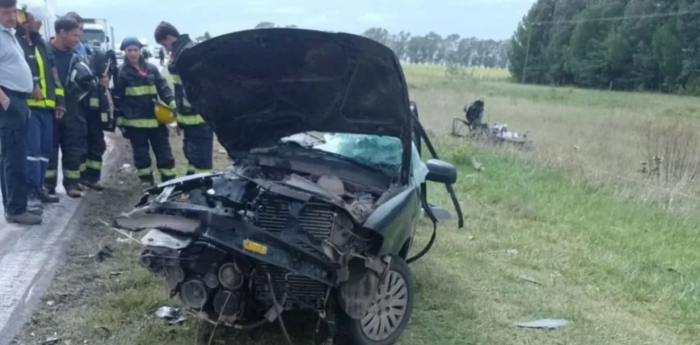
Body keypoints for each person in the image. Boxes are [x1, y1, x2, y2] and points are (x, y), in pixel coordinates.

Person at [16, 5, 64, 205]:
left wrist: (60, 102)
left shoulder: (41, 44)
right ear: (26, 18)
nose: (40, 24)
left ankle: (39, 187)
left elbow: (54, 76)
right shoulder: (16, 41)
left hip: (47, 106)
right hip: (29, 105)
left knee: (45, 150)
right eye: (38, 20)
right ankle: (30, 190)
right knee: (32, 151)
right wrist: (32, 85)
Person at [113, 37, 177, 187]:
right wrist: (120, 122)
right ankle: (147, 182)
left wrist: (173, 105)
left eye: (135, 49)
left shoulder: (151, 69)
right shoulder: (121, 73)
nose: (133, 53)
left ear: (140, 51)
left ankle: (170, 182)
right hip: (134, 123)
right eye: (129, 50)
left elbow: (163, 88)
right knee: (141, 154)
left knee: (164, 152)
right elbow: (118, 99)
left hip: (156, 120)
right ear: (125, 52)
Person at [0, 0, 42, 224]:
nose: (11, 16)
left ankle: (16, 202)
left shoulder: (9, 33)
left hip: (18, 99)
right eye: (6, 12)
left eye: (13, 11)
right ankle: (16, 209)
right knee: (14, 157)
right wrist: (4, 99)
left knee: (12, 154)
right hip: (9, 101)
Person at [155, 21, 213, 176]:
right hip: (189, 117)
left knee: (202, 159)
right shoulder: (180, 52)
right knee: (192, 155)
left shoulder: (187, 53)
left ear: (168, 38)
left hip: (198, 118)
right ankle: (192, 183)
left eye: (163, 44)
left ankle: (203, 188)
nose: (165, 48)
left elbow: (196, 88)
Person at [44, 16, 87, 198]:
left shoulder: (76, 57)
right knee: (49, 148)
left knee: (72, 148)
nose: (78, 40)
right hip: (49, 108)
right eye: (75, 35)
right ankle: (47, 185)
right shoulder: (44, 52)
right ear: (62, 32)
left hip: (72, 109)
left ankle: (71, 184)